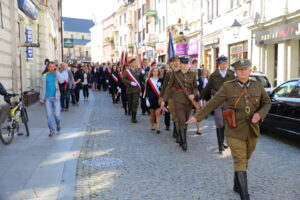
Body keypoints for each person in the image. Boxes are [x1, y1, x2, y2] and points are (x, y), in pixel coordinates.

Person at [187, 58, 271, 200]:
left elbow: (267, 103)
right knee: (239, 159)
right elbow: (214, 102)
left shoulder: (258, 85)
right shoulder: (228, 86)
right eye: (240, 69)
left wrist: (259, 114)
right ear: (236, 72)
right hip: (234, 129)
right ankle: (244, 194)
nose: (243, 72)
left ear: (250, 70)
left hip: (252, 129)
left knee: (245, 159)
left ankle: (236, 183)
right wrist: (198, 116)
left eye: (246, 69)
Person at [161, 57, 198, 151]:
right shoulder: (175, 74)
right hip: (177, 99)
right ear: (180, 64)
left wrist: (193, 95)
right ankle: (184, 142)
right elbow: (169, 87)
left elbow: (195, 87)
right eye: (183, 64)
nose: (185, 66)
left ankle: (181, 139)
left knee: (186, 120)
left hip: (189, 100)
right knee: (181, 119)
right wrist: (163, 99)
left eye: (187, 64)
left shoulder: (193, 74)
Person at [201, 55, 235, 154]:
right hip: (217, 102)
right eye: (222, 63)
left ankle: (222, 141)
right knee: (219, 122)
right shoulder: (214, 75)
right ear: (219, 64)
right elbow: (207, 87)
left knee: (226, 122)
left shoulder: (231, 74)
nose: (224, 65)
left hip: (228, 102)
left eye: (226, 63)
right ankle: (220, 145)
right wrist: (201, 97)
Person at [160, 56, 181, 140]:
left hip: (181, 96)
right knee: (174, 114)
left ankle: (178, 131)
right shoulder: (169, 73)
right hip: (171, 96)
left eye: (177, 61)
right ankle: (176, 131)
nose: (175, 63)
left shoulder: (182, 72)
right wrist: (161, 97)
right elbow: (165, 86)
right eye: (173, 62)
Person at [39, 61, 62, 137]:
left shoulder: (56, 74)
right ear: (48, 67)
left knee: (57, 115)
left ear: (55, 67)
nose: (52, 68)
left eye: (53, 66)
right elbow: (42, 88)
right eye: (50, 66)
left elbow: (61, 81)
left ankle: (58, 124)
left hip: (56, 98)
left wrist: (57, 72)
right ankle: (52, 129)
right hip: (48, 98)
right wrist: (41, 98)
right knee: (49, 115)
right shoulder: (44, 75)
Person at [121, 59, 143, 123]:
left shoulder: (139, 71)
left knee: (135, 103)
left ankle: (134, 117)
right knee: (130, 103)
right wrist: (130, 82)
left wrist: (144, 74)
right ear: (130, 64)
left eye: (135, 63)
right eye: (133, 63)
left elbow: (142, 79)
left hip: (136, 90)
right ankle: (130, 111)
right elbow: (123, 79)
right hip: (129, 90)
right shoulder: (127, 72)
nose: (134, 64)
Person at [145, 67, 163, 134]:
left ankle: (158, 128)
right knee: (152, 114)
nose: (156, 72)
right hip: (151, 99)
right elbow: (147, 90)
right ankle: (152, 125)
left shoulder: (161, 80)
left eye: (157, 71)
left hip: (159, 99)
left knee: (158, 114)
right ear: (152, 72)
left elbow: (163, 90)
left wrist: (162, 98)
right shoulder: (149, 80)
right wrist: (147, 99)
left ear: (158, 72)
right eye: (154, 71)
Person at [194, 67, 210, 135]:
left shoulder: (209, 79)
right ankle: (198, 129)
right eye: (203, 71)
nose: (204, 72)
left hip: (206, 97)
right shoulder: (199, 78)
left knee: (203, 110)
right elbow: (197, 88)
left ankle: (204, 113)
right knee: (198, 112)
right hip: (200, 96)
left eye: (206, 71)